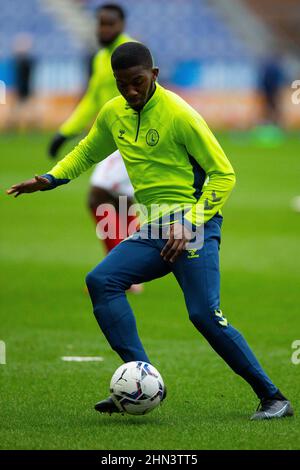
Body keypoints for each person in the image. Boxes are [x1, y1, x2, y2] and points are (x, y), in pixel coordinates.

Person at [7, 42, 293, 421]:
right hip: (155, 226)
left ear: (154, 75)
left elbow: (224, 174)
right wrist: (50, 177)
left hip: (195, 225)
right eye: (123, 84)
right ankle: (141, 380)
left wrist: (191, 221)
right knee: (102, 280)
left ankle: (273, 397)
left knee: (204, 315)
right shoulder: (115, 113)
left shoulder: (179, 114)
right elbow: (88, 152)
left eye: (138, 82)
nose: (131, 91)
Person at [48, 4, 141, 290]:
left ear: (121, 25)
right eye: (100, 24)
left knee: (97, 195)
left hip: (129, 136)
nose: (103, 30)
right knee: (123, 205)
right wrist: (65, 132)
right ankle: (137, 268)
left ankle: (120, 268)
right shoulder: (102, 57)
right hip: (110, 138)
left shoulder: (132, 52)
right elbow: (92, 98)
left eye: (109, 24)